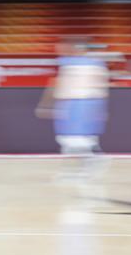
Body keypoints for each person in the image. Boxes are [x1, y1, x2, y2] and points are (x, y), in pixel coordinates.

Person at [36, 37, 109, 179]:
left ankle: (91, 162)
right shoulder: (91, 63)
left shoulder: (78, 63)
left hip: (79, 104)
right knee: (70, 139)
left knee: (76, 139)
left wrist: (48, 103)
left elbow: (60, 84)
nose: (59, 51)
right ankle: (79, 168)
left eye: (62, 48)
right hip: (75, 104)